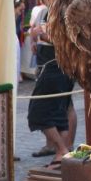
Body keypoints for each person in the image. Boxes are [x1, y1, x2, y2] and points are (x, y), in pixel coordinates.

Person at [27, 12, 77, 170]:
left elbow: (66, 41)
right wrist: (37, 35)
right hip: (54, 66)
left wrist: (41, 35)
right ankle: (61, 155)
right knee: (58, 113)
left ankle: (62, 151)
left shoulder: (65, 9)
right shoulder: (56, 8)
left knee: (38, 112)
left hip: (56, 67)